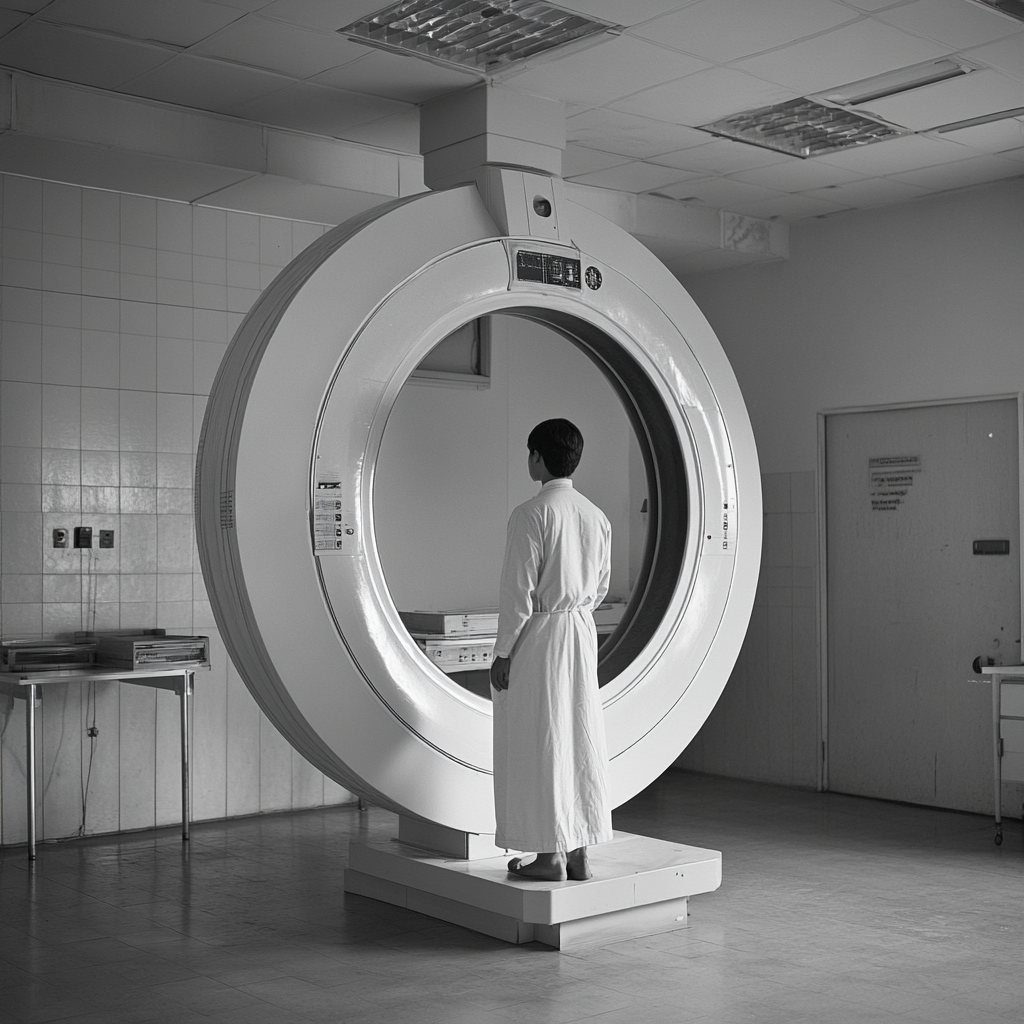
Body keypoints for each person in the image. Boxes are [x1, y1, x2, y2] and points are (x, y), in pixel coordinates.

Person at [489, 418, 613, 882]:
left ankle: (548, 857)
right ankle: (579, 849)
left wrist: (503, 653)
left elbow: (516, 591)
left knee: (540, 742)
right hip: (580, 632)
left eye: (529, 453)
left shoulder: (531, 514)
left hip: (540, 637)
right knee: (578, 737)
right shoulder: (595, 515)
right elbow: (600, 588)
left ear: (538, 457)